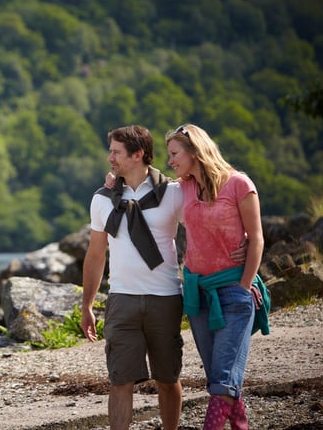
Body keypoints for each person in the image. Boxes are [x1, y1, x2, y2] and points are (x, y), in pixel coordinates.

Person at [165, 123, 270, 430]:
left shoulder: (239, 184)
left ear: (194, 152)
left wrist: (245, 284)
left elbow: (257, 238)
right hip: (198, 295)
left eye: (174, 154)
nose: (170, 161)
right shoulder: (184, 187)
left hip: (234, 291)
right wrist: (114, 179)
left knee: (222, 380)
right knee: (219, 377)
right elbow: (145, 181)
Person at [80, 125, 184, 430]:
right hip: (121, 299)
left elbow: (201, 234)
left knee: (167, 378)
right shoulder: (103, 198)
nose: (110, 157)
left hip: (165, 298)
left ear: (138, 154)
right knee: (120, 380)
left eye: (116, 152)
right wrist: (87, 305)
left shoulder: (173, 193)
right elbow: (95, 254)